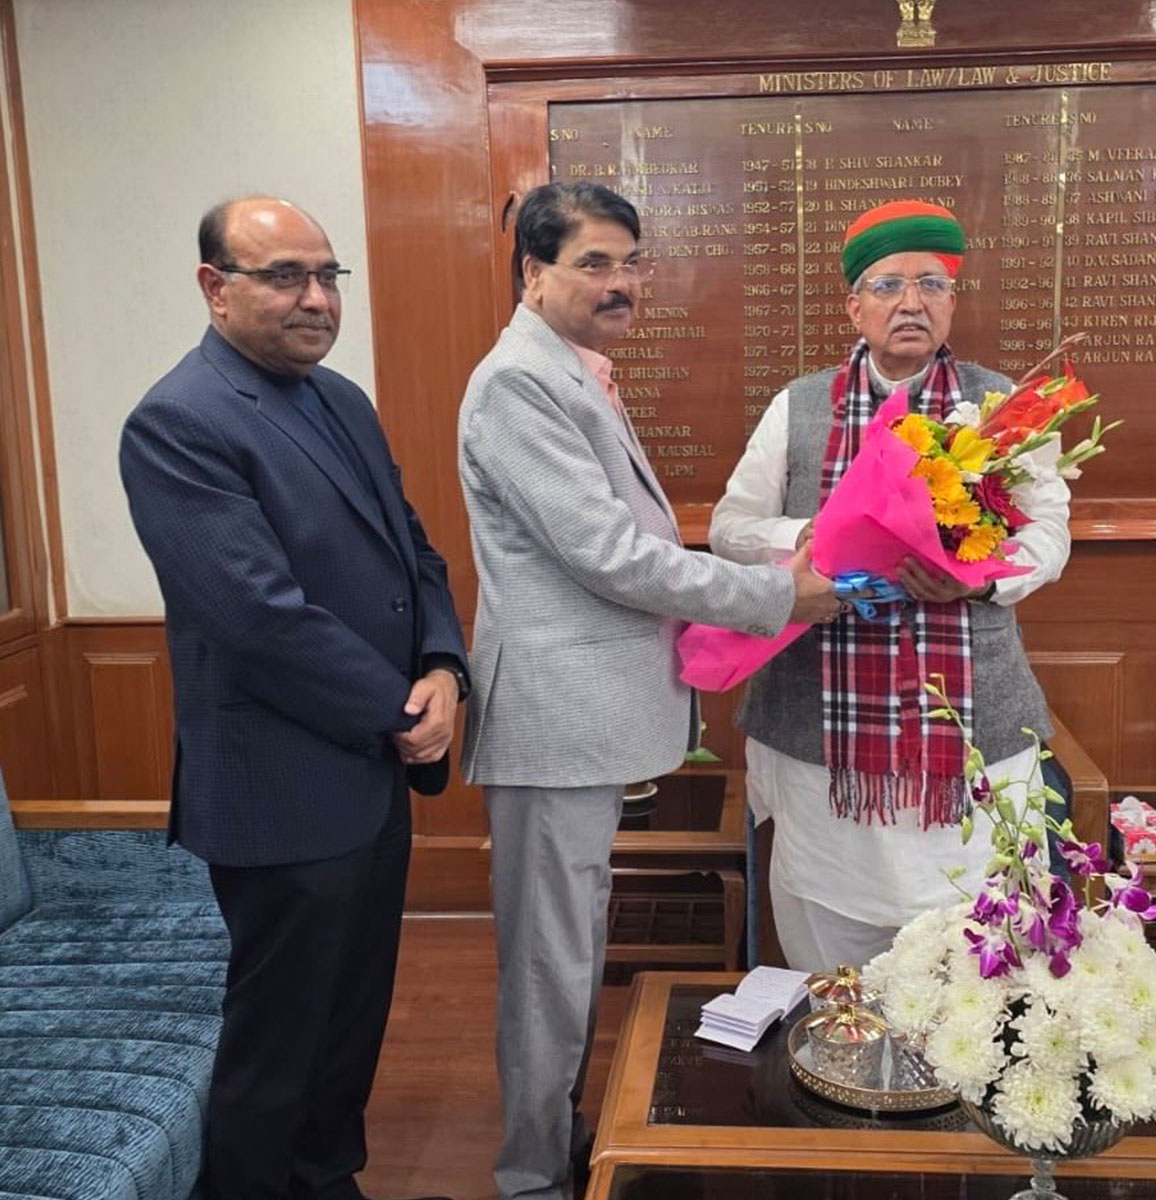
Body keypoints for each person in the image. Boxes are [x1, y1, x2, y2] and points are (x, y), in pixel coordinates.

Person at [457, 180, 839, 1200]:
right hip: (553, 719)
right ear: (531, 272)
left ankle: (561, 1142)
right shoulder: (516, 385)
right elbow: (611, 557)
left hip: (588, 715)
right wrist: (777, 595)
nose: (621, 284)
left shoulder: (573, 371)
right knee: (549, 964)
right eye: (593, 263)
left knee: (569, 954)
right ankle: (534, 1178)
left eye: (630, 263)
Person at [120, 196, 467, 1200]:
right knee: (278, 1041)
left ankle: (327, 1180)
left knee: (349, 1018)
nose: (314, 298)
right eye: (283, 277)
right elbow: (258, 618)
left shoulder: (339, 398)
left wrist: (444, 667)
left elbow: (416, 551)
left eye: (326, 276)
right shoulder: (180, 419)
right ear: (213, 288)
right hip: (280, 788)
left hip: (369, 767)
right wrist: (404, 714)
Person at [709, 199, 1074, 973]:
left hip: (971, 719)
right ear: (854, 304)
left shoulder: (1002, 405)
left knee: (972, 938)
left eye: (931, 284)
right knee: (827, 936)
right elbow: (731, 526)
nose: (911, 303)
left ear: (952, 301)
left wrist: (978, 584)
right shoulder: (799, 405)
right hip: (821, 723)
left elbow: (1049, 533)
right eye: (888, 285)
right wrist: (800, 539)